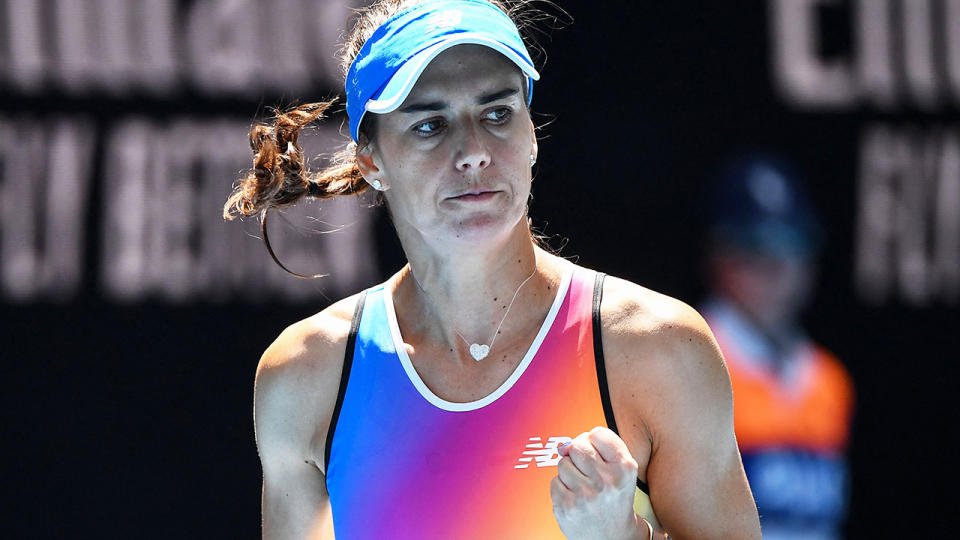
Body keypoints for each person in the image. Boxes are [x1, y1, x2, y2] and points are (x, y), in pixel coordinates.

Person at [224, 1, 761, 538]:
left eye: (497, 114)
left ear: (531, 135)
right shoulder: (304, 377)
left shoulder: (659, 349)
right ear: (372, 161)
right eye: (431, 125)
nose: (474, 151)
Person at [699, 155, 855, 540]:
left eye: (791, 244)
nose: (776, 268)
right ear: (720, 254)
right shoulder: (687, 359)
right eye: (754, 247)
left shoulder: (829, 381)